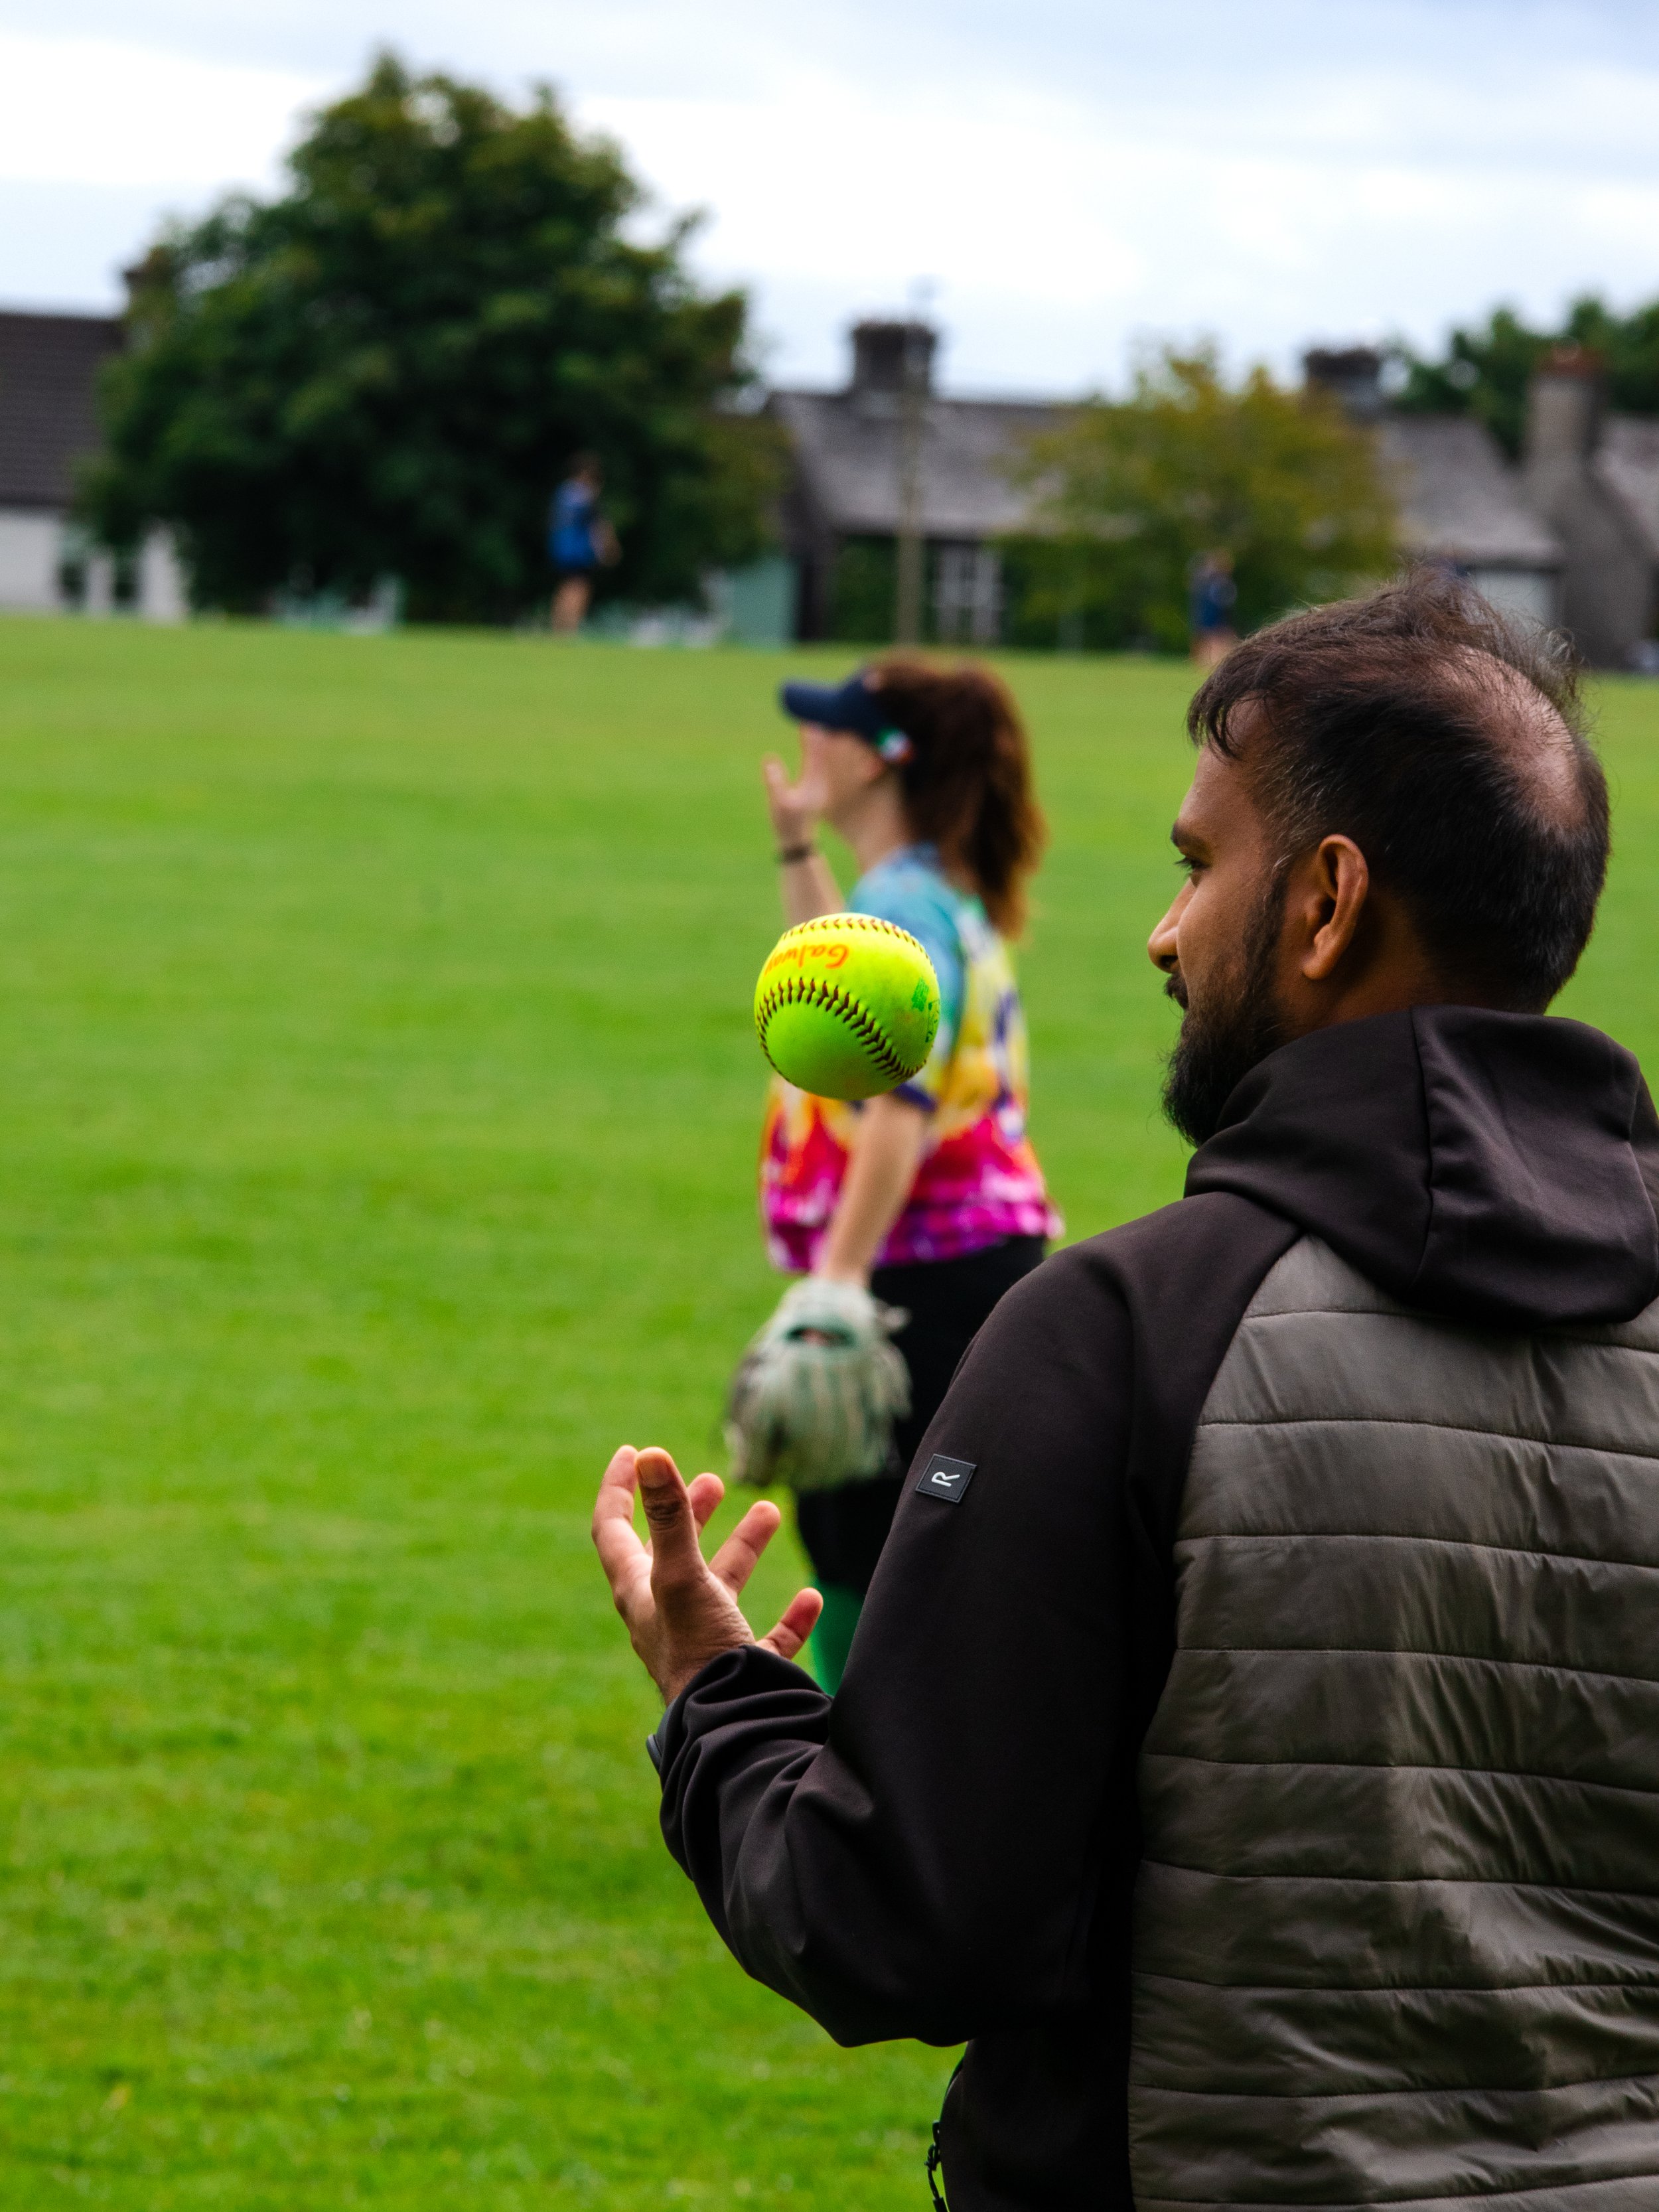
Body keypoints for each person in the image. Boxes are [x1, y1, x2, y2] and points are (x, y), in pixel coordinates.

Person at [593, 570, 1659, 2212]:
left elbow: (904, 1923)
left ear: (1324, 902)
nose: (1163, 932)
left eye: (1194, 866)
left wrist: (710, 1694)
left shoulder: (1117, 1331)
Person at [752, 659, 1060, 1688]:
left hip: (925, 1279)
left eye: (828, 728)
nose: (809, 741)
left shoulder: (907, 902)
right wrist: (799, 842)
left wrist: (835, 1286)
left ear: (883, 758)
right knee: (897, 1551)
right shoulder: (920, 892)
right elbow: (835, 976)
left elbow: (895, 1102)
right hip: (971, 1267)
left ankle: (856, 1790)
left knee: (862, 1558)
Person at [548, 455, 617, 633]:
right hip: (578, 550)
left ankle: (558, 630)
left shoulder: (563, 492)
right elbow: (598, 524)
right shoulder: (587, 495)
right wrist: (606, 548)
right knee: (579, 588)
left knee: (564, 587)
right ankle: (569, 630)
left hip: (560, 547)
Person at [1189, 547, 1238, 667]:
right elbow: (1221, 603)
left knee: (1213, 643)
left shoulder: (1209, 581)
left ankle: (1207, 664)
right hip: (1213, 617)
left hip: (1210, 617)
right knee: (1214, 643)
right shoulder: (1217, 582)